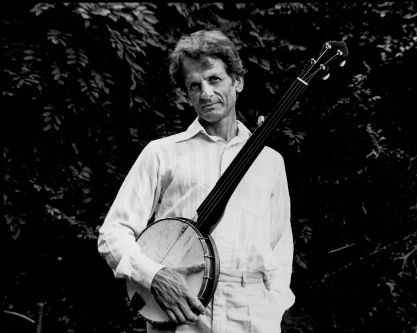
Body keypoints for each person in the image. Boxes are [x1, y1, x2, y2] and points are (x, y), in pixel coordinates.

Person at [98, 29, 295, 333]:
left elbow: (281, 247)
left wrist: (274, 305)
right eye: (194, 85)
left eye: (214, 79)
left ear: (237, 82)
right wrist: (156, 277)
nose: (205, 93)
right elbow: (113, 234)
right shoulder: (162, 153)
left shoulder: (270, 162)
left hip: (253, 315)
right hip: (182, 309)